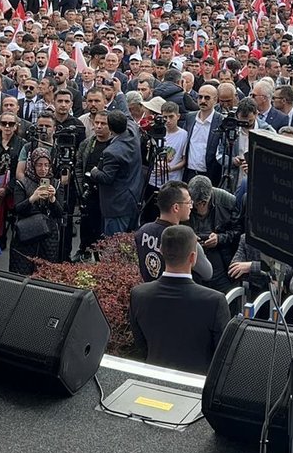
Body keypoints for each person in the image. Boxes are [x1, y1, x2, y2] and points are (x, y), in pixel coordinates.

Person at [128, 224, 232, 374]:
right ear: (193, 257)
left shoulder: (138, 294)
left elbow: (141, 345)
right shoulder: (215, 301)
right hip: (197, 385)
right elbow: (223, 354)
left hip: (154, 380)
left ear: (161, 251)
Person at [89, 110, 143, 235]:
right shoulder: (133, 132)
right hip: (133, 199)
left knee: (114, 247)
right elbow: (128, 117)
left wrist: (94, 172)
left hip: (117, 206)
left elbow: (107, 177)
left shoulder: (112, 152)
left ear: (110, 128)